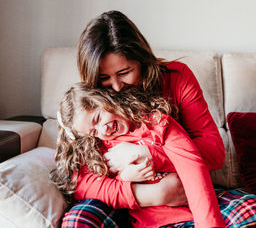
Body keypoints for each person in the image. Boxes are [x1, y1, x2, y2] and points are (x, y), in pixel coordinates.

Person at [60, 10, 256, 227]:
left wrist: (147, 154)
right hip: (125, 200)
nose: (116, 87)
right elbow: (81, 181)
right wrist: (150, 195)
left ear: (142, 61)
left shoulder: (175, 81)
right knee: (78, 221)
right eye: (104, 78)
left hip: (185, 191)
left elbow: (213, 152)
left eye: (125, 72)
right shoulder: (86, 106)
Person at [52, 82, 225, 228]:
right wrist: (125, 178)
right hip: (150, 223)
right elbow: (83, 184)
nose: (102, 131)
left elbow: (193, 168)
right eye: (93, 132)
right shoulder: (103, 150)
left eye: (98, 118)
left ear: (106, 99)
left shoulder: (159, 124)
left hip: (190, 215)